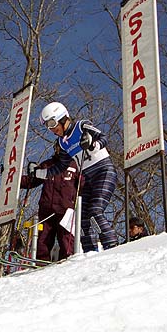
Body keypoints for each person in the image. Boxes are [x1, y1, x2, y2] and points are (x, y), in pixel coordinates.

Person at [40, 101, 119, 252]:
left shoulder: (81, 126)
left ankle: (111, 246)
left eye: (52, 123)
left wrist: (94, 144)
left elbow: (103, 137)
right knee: (81, 218)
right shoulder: (62, 143)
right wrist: (39, 173)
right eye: (47, 126)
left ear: (63, 118)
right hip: (87, 179)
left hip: (103, 171)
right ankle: (90, 252)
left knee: (95, 211)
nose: (51, 129)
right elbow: (61, 166)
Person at [20, 149, 79, 261]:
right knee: (42, 240)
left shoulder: (75, 165)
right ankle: (41, 264)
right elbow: (31, 180)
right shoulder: (47, 165)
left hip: (65, 210)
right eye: (58, 147)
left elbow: (83, 184)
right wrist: (12, 178)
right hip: (47, 209)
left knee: (67, 240)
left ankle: (68, 263)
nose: (60, 150)